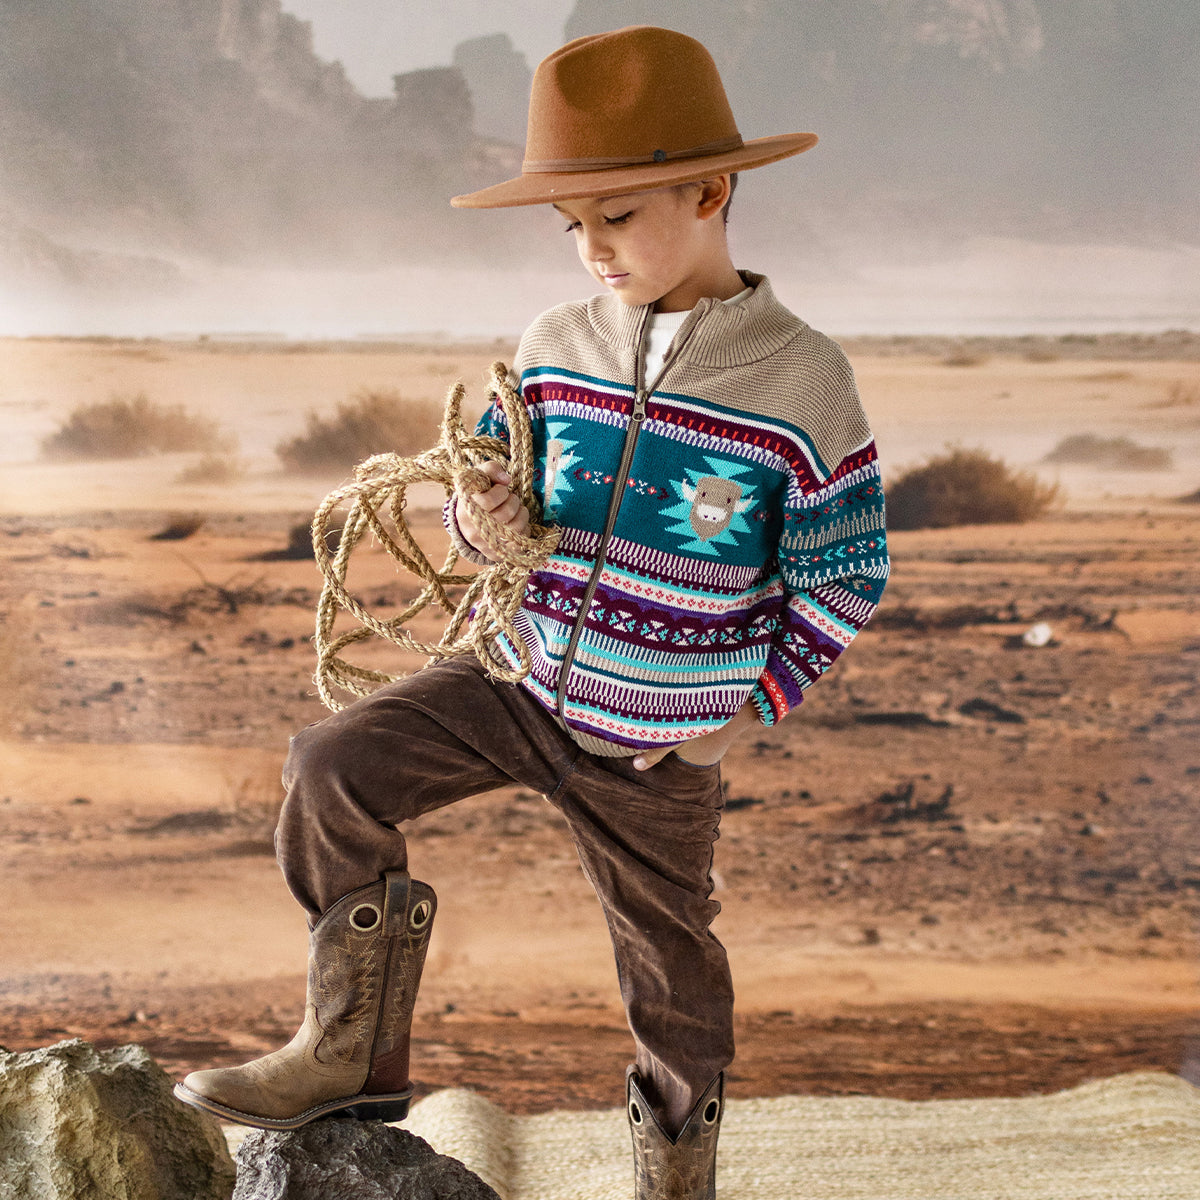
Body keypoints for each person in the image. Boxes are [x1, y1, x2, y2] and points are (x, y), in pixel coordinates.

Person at [175, 25, 889, 1200]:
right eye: (573, 226)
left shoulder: (803, 381)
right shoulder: (553, 346)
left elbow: (846, 568)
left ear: (711, 191)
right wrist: (486, 516)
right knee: (331, 765)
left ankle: (674, 1173)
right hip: (519, 672)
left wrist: (745, 706)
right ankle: (350, 1053)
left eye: (617, 215)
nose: (593, 249)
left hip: (662, 735)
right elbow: (498, 527)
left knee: (671, 962)